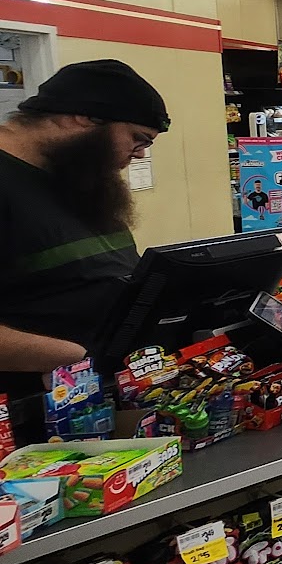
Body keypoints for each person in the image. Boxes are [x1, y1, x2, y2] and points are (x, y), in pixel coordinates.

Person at [0, 60, 169, 404]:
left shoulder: (78, 177)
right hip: (25, 414)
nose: (140, 155)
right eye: (137, 139)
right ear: (85, 117)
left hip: (97, 396)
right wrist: (73, 356)